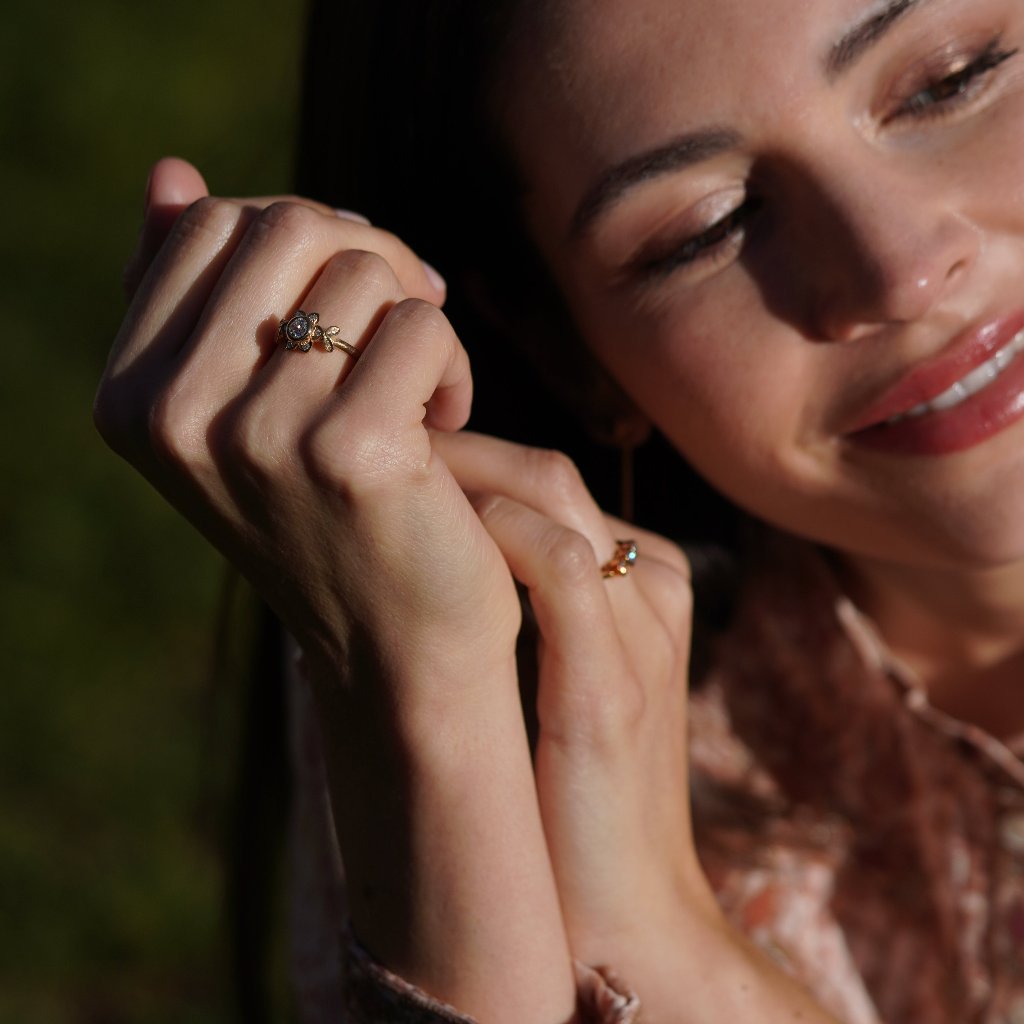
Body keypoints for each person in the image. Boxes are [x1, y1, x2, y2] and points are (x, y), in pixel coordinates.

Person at [96, 0, 1024, 1020]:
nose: (896, 270)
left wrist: (675, 957)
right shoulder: (511, 683)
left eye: (952, 78)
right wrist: (435, 712)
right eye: (704, 227)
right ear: (570, 354)